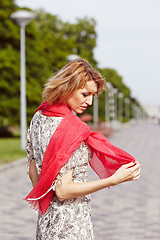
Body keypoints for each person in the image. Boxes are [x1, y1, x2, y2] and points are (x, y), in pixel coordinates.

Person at [25, 58, 140, 240]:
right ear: (68, 86)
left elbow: (32, 171)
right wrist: (113, 180)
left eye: (92, 96)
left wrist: (47, 204)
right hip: (72, 227)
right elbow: (63, 191)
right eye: (85, 94)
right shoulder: (70, 128)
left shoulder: (40, 115)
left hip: (46, 222)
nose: (89, 102)